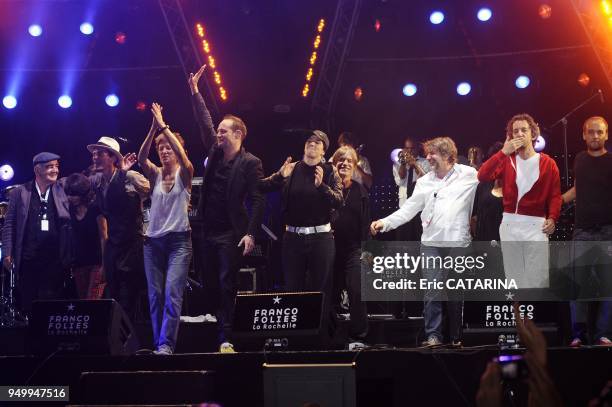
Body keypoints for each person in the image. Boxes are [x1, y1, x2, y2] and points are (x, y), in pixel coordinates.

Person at [371, 137, 479, 346]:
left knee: (456, 291)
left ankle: (457, 336)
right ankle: (434, 335)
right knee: (432, 290)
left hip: (458, 242)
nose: (427, 157)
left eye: (433, 153)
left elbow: (491, 178)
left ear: (448, 156)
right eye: (428, 153)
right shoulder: (424, 182)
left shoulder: (469, 175)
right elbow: (408, 210)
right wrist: (385, 222)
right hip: (430, 244)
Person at [190, 65, 265, 353]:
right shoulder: (214, 151)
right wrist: (196, 92)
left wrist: (251, 234)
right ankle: (214, 329)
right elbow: (204, 122)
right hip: (206, 228)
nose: (218, 134)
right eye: (218, 131)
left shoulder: (250, 163)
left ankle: (226, 336)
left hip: (231, 232)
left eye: (223, 131)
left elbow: (258, 200)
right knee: (208, 282)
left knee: (225, 282)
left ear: (237, 135)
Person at [259, 130, 343, 339]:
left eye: (317, 143)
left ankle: (319, 338)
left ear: (324, 149)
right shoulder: (292, 169)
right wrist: (279, 175)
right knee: (293, 288)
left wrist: (321, 187)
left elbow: (339, 200)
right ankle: (294, 338)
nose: (312, 144)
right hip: (293, 238)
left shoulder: (329, 170)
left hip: (321, 238)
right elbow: (261, 186)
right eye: (309, 141)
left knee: (320, 289)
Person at [478, 113, 561, 290]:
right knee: (515, 282)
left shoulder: (548, 163)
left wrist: (553, 218)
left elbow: (554, 195)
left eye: (524, 130)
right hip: (510, 224)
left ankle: (528, 318)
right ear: (510, 136)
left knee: (536, 282)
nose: (520, 134)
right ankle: (520, 319)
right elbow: (482, 175)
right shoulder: (506, 160)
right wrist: (502, 152)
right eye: (515, 131)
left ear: (533, 133)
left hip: (536, 225)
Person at [137, 103, 194, 355]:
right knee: (155, 295)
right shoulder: (155, 175)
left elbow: (184, 157)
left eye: (167, 146)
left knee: (172, 293)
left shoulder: (185, 174)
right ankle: (158, 342)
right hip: (153, 243)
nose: (163, 150)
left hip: (179, 242)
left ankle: (166, 345)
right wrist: (153, 129)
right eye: (160, 147)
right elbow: (140, 158)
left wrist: (164, 126)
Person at [562, 116, 612, 347]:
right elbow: (578, 189)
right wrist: (557, 201)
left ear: (606, 134)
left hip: (608, 230)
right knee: (578, 286)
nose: (594, 136)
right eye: (590, 132)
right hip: (582, 230)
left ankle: (604, 334)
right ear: (583, 135)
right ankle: (578, 336)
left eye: (599, 132)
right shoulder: (580, 159)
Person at [88, 137, 150, 321]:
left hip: (132, 244)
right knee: (113, 293)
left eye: (100, 153)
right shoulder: (98, 183)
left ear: (113, 157)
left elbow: (155, 191)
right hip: (113, 246)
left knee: (128, 296)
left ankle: (128, 341)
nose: (95, 157)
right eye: (94, 154)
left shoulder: (130, 177)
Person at [2, 152, 70, 314]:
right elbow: (9, 223)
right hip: (28, 257)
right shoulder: (20, 192)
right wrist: (7, 252)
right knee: (30, 303)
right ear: (37, 170)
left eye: (56, 166)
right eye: (50, 167)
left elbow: (87, 179)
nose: (55, 170)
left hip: (55, 258)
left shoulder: (62, 187)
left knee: (52, 303)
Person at [330, 146, 370, 349]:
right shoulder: (325, 187)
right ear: (334, 164)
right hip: (328, 249)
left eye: (349, 161)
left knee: (356, 289)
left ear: (354, 166)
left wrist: (367, 252)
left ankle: (359, 336)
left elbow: (365, 223)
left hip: (353, 250)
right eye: (340, 160)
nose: (344, 164)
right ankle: (332, 334)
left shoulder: (360, 190)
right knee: (329, 292)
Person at [64, 173, 107, 300]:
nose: (70, 197)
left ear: (83, 193)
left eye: (74, 194)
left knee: (92, 302)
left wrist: (105, 265)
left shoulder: (96, 209)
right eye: (69, 194)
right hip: (79, 264)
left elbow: (104, 237)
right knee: (83, 304)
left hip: (97, 263)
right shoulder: (71, 210)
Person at [393, 137, 431, 242]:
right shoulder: (397, 164)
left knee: (418, 241)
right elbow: (400, 180)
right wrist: (403, 163)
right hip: (404, 206)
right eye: (407, 148)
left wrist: (414, 164)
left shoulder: (425, 162)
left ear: (417, 148)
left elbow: (427, 181)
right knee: (403, 241)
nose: (409, 151)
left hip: (420, 208)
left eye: (412, 148)